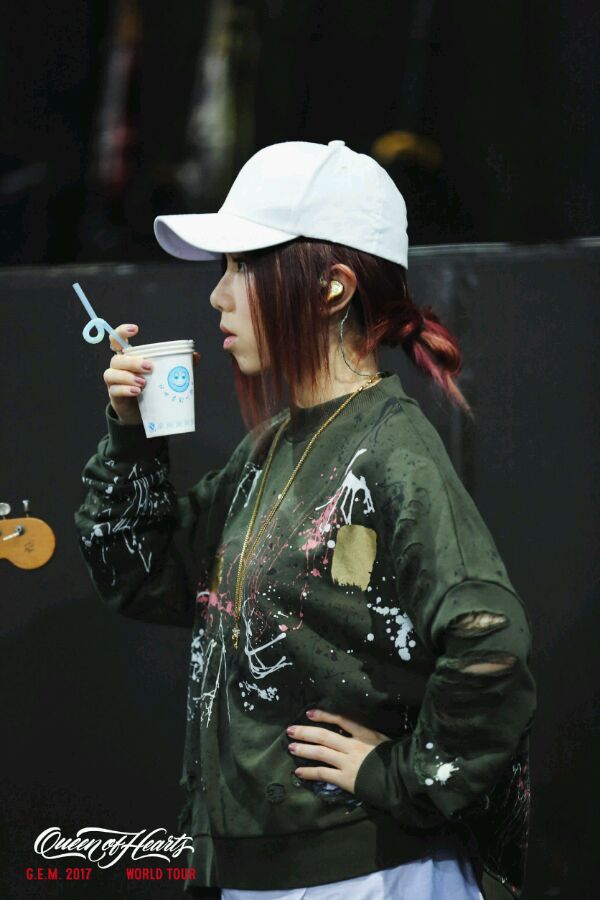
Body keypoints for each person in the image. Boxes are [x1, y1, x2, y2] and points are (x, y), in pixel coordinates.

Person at [74, 140, 536, 900]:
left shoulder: (392, 452)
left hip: (365, 874)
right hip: (269, 872)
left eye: (241, 266)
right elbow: (139, 576)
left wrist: (400, 774)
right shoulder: (272, 447)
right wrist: (132, 433)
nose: (218, 296)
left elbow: (491, 643)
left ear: (331, 287)